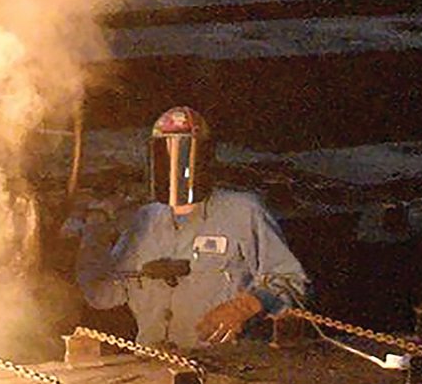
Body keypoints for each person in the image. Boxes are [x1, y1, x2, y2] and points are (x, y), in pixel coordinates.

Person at [76, 106, 308, 348]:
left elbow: (292, 282)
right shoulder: (144, 220)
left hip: (227, 366)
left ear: (205, 158)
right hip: (154, 363)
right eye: (167, 153)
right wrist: (95, 231)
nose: (176, 165)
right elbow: (102, 295)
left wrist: (245, 306)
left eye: (186, 152)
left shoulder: (241, 211)